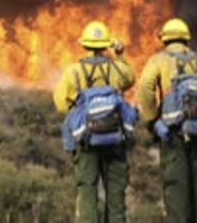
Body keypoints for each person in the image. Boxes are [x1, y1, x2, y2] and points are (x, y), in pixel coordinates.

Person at [137, 18, 197, 223]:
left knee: (177, 192)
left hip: (173, 136)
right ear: (186, 39)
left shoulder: (159, 60)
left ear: (165, 39)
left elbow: (145, 88)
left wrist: (152, 120)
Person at [54, 21, 137, 222]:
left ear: (85, 45)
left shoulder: (74, 71)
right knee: (116, 192)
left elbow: (60, 103)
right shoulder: (116, 69)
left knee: (87, 190)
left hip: (86, 140)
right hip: (115, 139)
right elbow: (130, 79)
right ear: (105, 45)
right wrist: (119, 55)